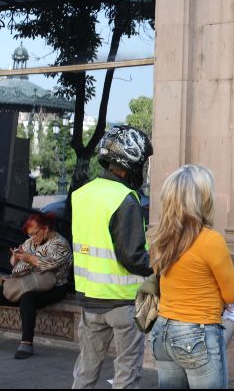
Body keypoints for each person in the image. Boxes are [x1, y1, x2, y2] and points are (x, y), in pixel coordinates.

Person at [71, 125, 154, 389]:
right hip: (122, 304)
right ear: (131, 162)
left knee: (85, 372)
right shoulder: (125, 199)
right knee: (126, 376)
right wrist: (159, 264)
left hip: (90, 301)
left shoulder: (81, 195)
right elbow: (133, 257)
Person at [148, 165, 234, 389]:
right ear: (203, 199)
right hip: (197, 332)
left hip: (162, 329)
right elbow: (232, 294)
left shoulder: (160, 237)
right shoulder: (211, 240)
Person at [0, 212, 72, 359]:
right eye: (30, 235)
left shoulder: (60, 244)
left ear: (45, 229)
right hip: (27, 283)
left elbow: (50, 264)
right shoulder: (30, 242)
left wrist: (29, 258)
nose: (32, 238)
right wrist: (15, 257)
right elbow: (14, 265)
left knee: (28, 299)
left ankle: (26, 343)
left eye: (35, 234)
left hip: (54, 286)